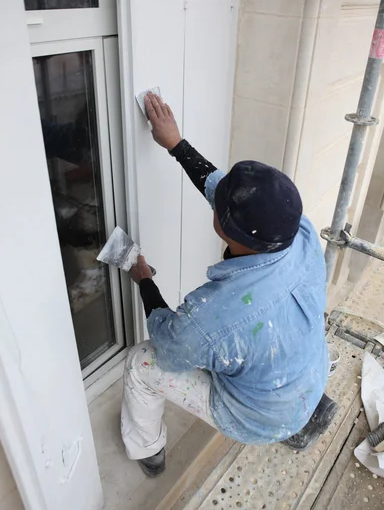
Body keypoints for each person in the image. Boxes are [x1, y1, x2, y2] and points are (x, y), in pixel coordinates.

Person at [121, 92, 337, 478]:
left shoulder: (214, 317)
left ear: (227, 229)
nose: (215, 200)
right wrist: (176, 144)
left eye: (218, 207)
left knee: (141, 363)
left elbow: (170, 347)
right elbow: (221, 189)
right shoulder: (296, 232)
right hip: (309, 373)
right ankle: (303, 412)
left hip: (258, 416)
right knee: (254, 351)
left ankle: (147, 450)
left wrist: (144, 279)